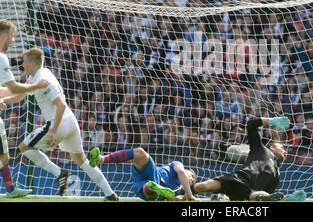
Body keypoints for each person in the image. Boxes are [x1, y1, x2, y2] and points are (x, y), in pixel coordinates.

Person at [0, 47, 118, 200]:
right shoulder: (38, 75)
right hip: (71, 123)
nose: (23, 66)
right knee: (82, 160)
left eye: (25, 63)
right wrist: (3, 100)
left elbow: (61, 105)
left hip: (59, 124)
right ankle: (110, 194)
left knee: (24, 147)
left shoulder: (44, 79)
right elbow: (20, 96)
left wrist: (54, 131)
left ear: (33, 64)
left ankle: (59, 173)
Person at [0, 20, 50, 198]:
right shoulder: (1, 57)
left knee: (4, 156)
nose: (13, 41)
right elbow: (13, 87)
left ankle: (11, 189)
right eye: (12, 37)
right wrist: (33, 86)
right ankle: (11, 189)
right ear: (5, 36)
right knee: (3, 156)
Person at [190, 116, 290, 201]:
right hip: (238, 178)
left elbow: (270, 195)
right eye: (281, 148)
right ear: (272, 148)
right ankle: (182, 192)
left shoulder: (277, 175)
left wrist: (288, 199)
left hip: (249, 192)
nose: (285, 151)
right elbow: (251, 124)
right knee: (203, 186)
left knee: (260, 195)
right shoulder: (260, 149)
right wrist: (271, 121)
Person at [89, 147, 198, 201]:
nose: (191, 178)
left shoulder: (180, 191)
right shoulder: (178, 165)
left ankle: (153, 187)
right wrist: (190, 195)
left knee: (150, 191)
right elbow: (181, 172)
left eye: (192, 180)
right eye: (191, 175)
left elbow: (172, 199)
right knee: (140, 152)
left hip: (149, 189)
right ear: (187, 170)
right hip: (153, 172)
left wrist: (180, 197)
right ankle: (101, 159)